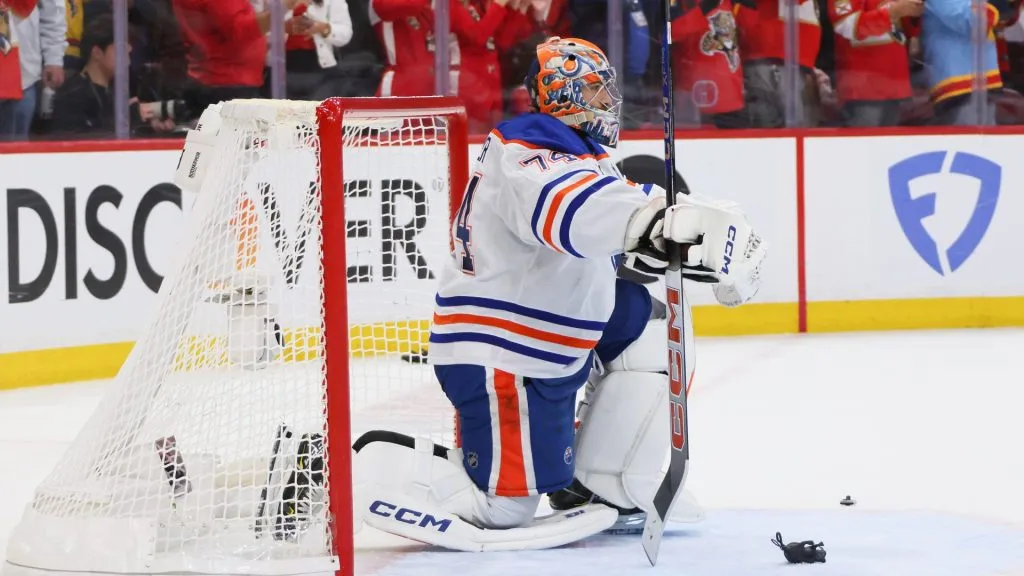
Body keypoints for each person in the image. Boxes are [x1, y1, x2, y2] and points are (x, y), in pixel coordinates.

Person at [352, 37, 768, 550]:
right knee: (502, 510)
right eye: (596, 91)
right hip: (504, 348)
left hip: (551, 328)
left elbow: (618, 207)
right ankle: (343, 470)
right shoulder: (526, 148)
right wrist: (652, 223)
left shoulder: (578, 156)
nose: (607, 104)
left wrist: (694, 218)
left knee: (648, 326)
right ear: (562, 94)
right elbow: (568, 213)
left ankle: (607, 480)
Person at [50, 14, 176, 135]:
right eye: (121, 49)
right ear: (97, 53)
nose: (128, 58)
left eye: (128, 51)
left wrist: (147, 126)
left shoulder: (116, 93)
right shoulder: (72, 94)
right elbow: (77, 142)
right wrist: (128, 118)